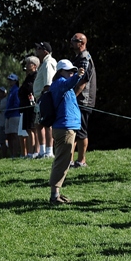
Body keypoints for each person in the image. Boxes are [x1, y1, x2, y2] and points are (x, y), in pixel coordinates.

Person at [48, 60, 86, 205]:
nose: (71, 72)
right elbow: (68, 83)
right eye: (68, 70)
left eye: (72, 70)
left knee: (63, 161)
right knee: (62, 161)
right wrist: (77, 76)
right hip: (64, 128)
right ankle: (54, 195)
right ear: (60, 72)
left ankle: (56, 193)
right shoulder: (59, 83)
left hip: (67, 127)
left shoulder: (64, 84)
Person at [70, 33, 96, 168]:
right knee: (74, 129)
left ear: (82, 43)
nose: (71, 43)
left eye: (74, 41)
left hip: (82, 100)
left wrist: (72, 97)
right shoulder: (78, 58)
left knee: (81, 131)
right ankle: (70, 160)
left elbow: (83, 81)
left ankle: (81, 161)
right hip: (77, 100)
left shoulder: (85, 58)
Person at [33, 42, 57, 158]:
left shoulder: (48, 62)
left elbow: (49, 82)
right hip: (40, 97)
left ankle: (49, 151)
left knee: (47, 124)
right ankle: (42, 151)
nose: (36, 50)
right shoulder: (43, 63)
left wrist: (44, 96)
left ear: (45, 51)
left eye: (39, 48)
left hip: (45, 96)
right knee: (39, 124)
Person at [20, 56, 39, 158]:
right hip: (25, 105)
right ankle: (30, 151)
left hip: (33, 106)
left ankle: (34, 151)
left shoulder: (36, 76)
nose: (26, 66)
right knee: (28, 129)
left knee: (33, 129)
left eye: (28, 64)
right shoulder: (28, 77)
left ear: (34, 66)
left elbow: (31, 88)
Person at [5, 74, 21, 157]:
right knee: (9, 135)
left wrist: (10, 110)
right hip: (8, 115)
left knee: (14, 135)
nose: (10, 82)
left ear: (15, 81)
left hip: (15, 115)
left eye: (11, 80)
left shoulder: (16, 90)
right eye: (9, 80)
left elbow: (17, 103)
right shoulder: (11, 90)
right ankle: (11, 153)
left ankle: (15, 153)